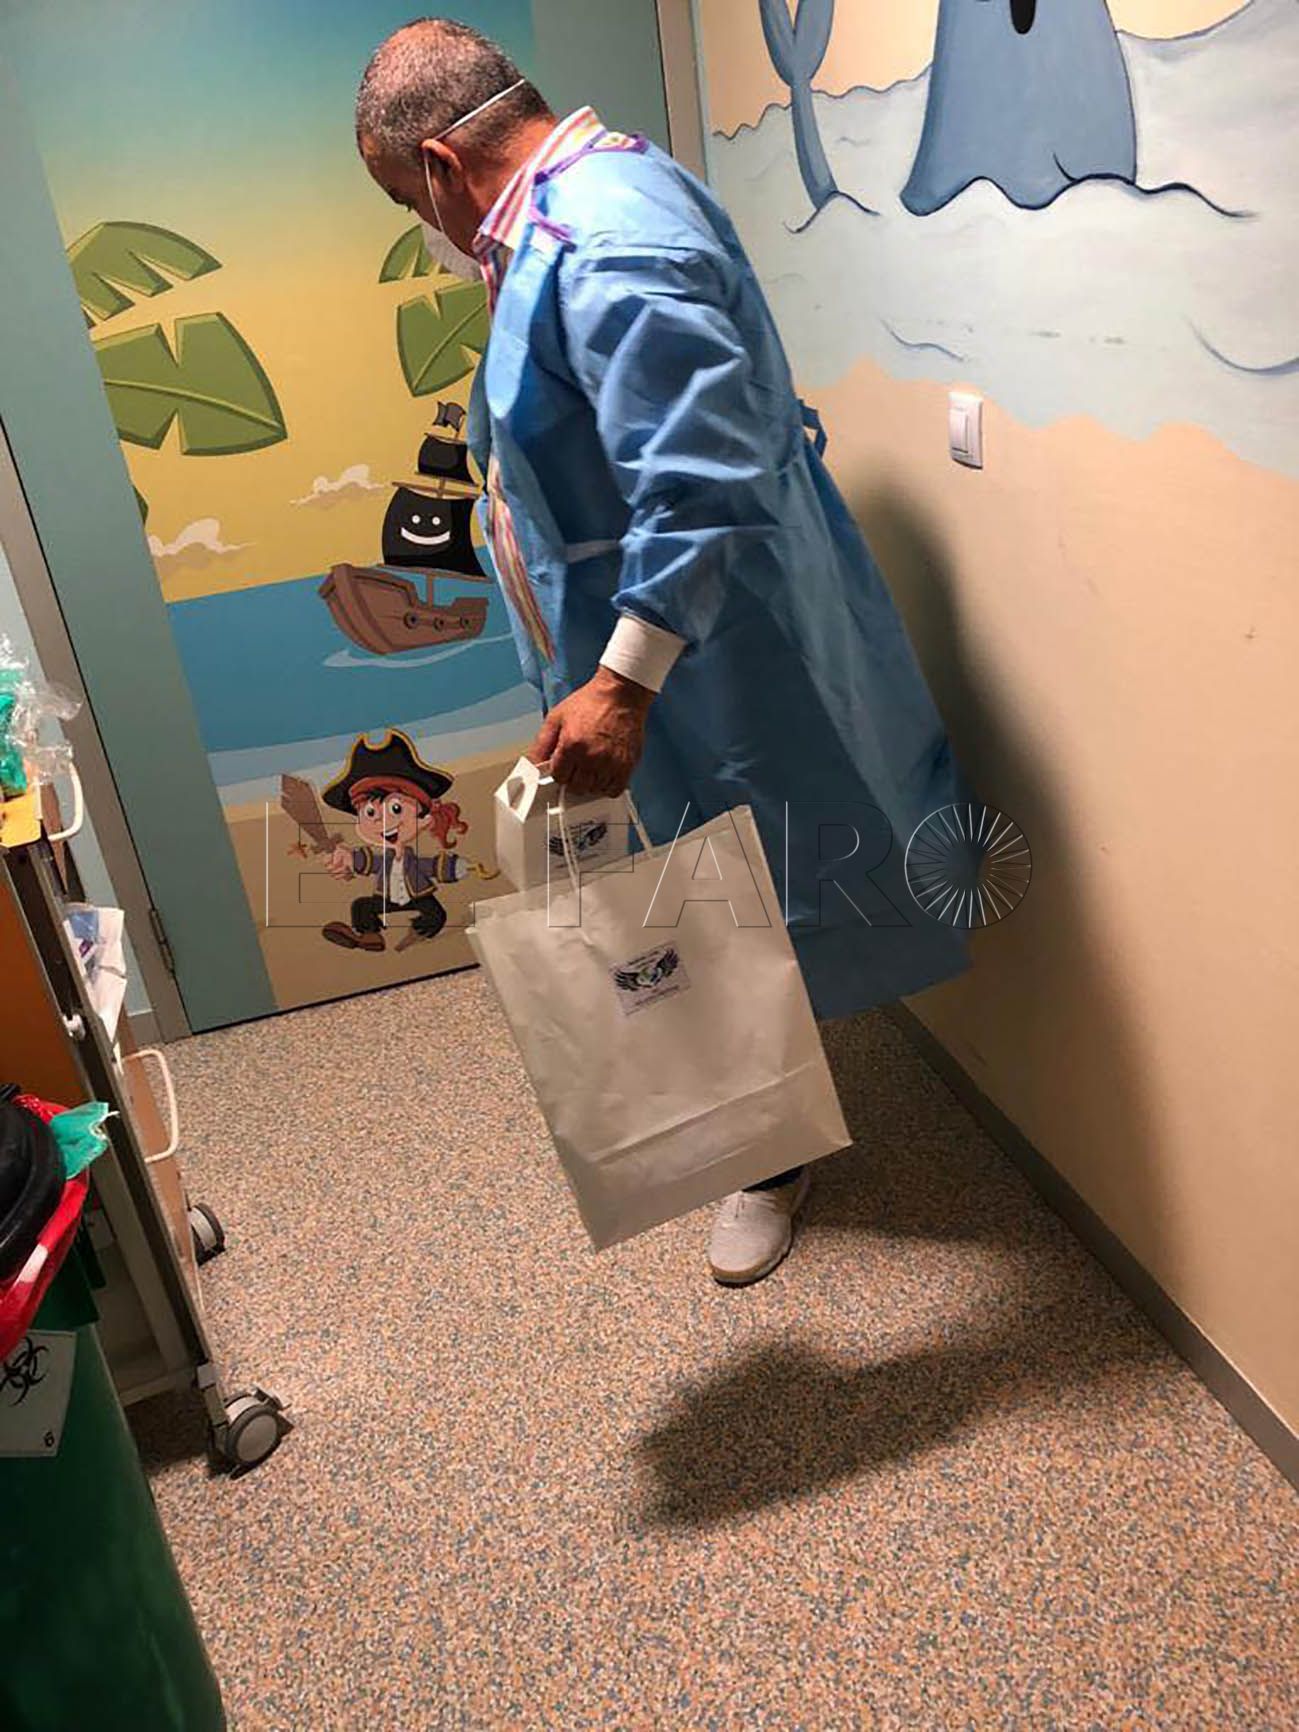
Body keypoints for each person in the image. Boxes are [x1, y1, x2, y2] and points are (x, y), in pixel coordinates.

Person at [356, 19, 971, 1285]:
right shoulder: (569, 209)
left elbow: (694, 481)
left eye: (407, 202)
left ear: (441, 161)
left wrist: (624, 682)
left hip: (702, 648)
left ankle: (768, 1155)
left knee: (731, 883)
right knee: (702, 884)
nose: (426, 228)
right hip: (653, 631)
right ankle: (759, 1124)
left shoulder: (609, 241)